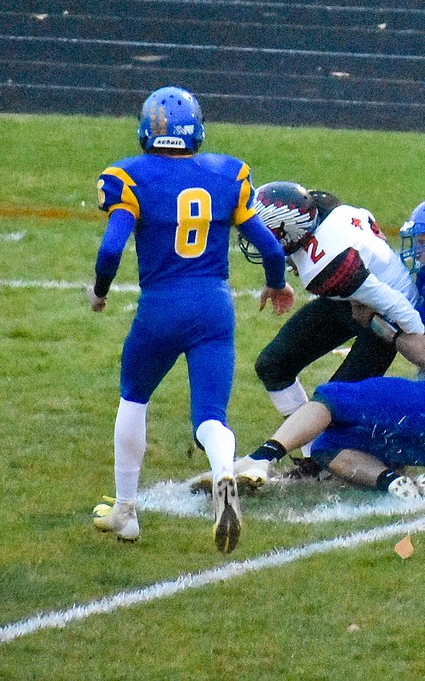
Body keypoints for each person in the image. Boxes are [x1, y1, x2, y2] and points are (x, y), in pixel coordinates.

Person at [87, 86, 294, 554]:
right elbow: (271, 248)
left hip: (161, 307)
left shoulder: (130, 176)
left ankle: (125, 512)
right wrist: (276, 284)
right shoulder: (227, 173)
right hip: (213, 308)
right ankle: (223, 469)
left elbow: (111, 250)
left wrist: (99, 292)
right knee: (209, 416)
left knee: (134, 398)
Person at [230, 195, 425, 496]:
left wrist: (377, 323)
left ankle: (259, 458)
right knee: (326, 445)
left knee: (330, 398)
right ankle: (395, 483)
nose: (419, 248)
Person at [236, 181, 425, 476]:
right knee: (272, 365)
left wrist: (421, 345)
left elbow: (397, 305)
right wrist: (275, 280)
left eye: (266, 235)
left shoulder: (326, 268)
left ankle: (382, 452)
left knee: (333, 401)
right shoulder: (320, 207)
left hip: (384, 315)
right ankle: (315, 455)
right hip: (352, 295)